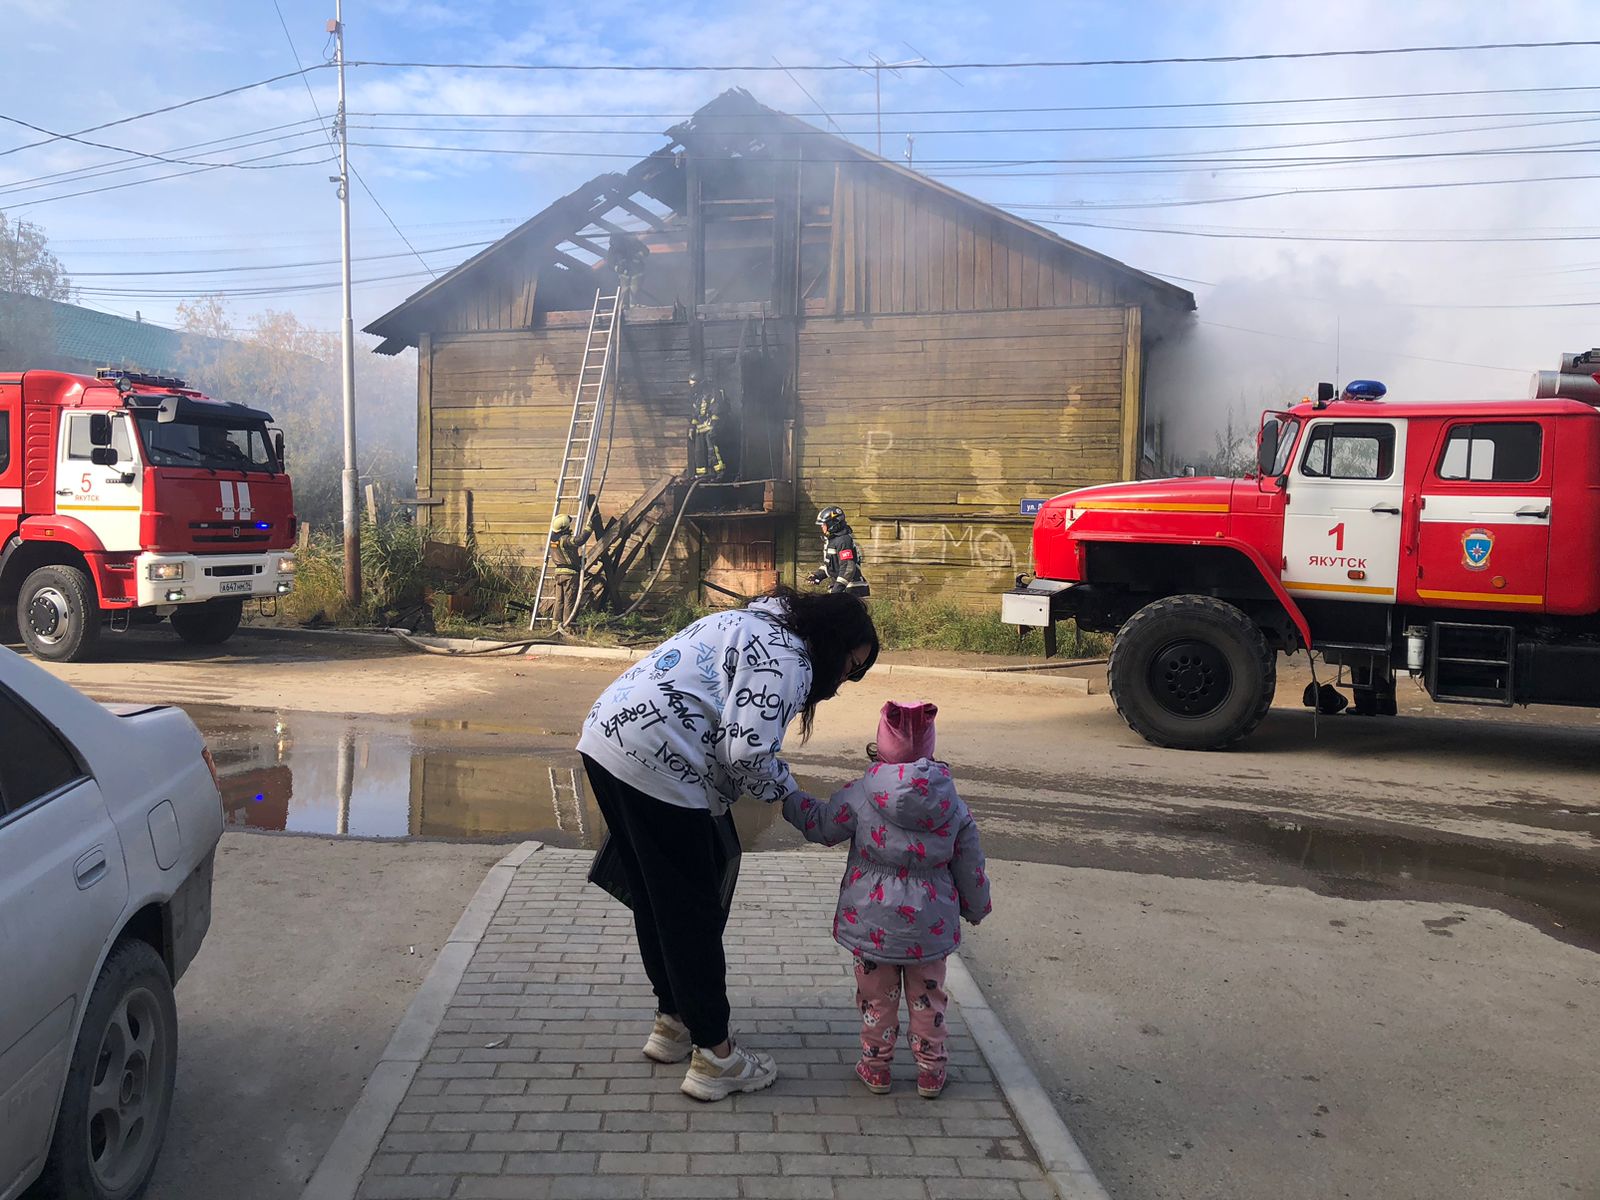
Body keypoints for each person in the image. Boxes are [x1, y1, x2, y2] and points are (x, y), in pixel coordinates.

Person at [576, 587, 879, 1101]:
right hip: (659, 766)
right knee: (691, 912)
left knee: (656, 900)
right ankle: (716, 1057)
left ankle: (672, 1022)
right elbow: (746, 755)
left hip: (607, 742)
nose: (844, 681)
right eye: (850, 667)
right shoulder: (789, 661)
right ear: (832, 641)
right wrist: (792, 799)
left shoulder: (744, 623)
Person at [782, 700, 990, 1099]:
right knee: (928, 998)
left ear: (881, 745)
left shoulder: (860, 795)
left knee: (877, 998)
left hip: (872, 923)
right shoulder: (952, 805)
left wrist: (790, 797)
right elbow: (970, 865)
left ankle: (876, 1067)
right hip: (929, 927)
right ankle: (931, 1071)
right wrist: (976, 907)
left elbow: (823, 826)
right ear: (930, 748)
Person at [808, 505, 870, 596]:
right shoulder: (833, 541)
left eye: (824, 524)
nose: (822, 527)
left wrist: (837, 590)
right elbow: (831, 566)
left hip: (851, 590)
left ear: (833, 524)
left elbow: (847, 568)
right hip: (842, 589)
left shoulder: (844, 541)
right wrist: (817, 576)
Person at [689, 370, 732, 483]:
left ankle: (720, 472)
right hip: (701, 427)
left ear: (700, 383)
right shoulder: (697, 396)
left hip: (713, 426)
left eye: (694, 384)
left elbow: (717, 410)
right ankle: (702, 474)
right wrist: (692, 427)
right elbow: (695, 413)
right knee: (699, 451)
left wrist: (713, 426)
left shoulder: (713, 392)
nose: (693, 387)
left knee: (712, 449)